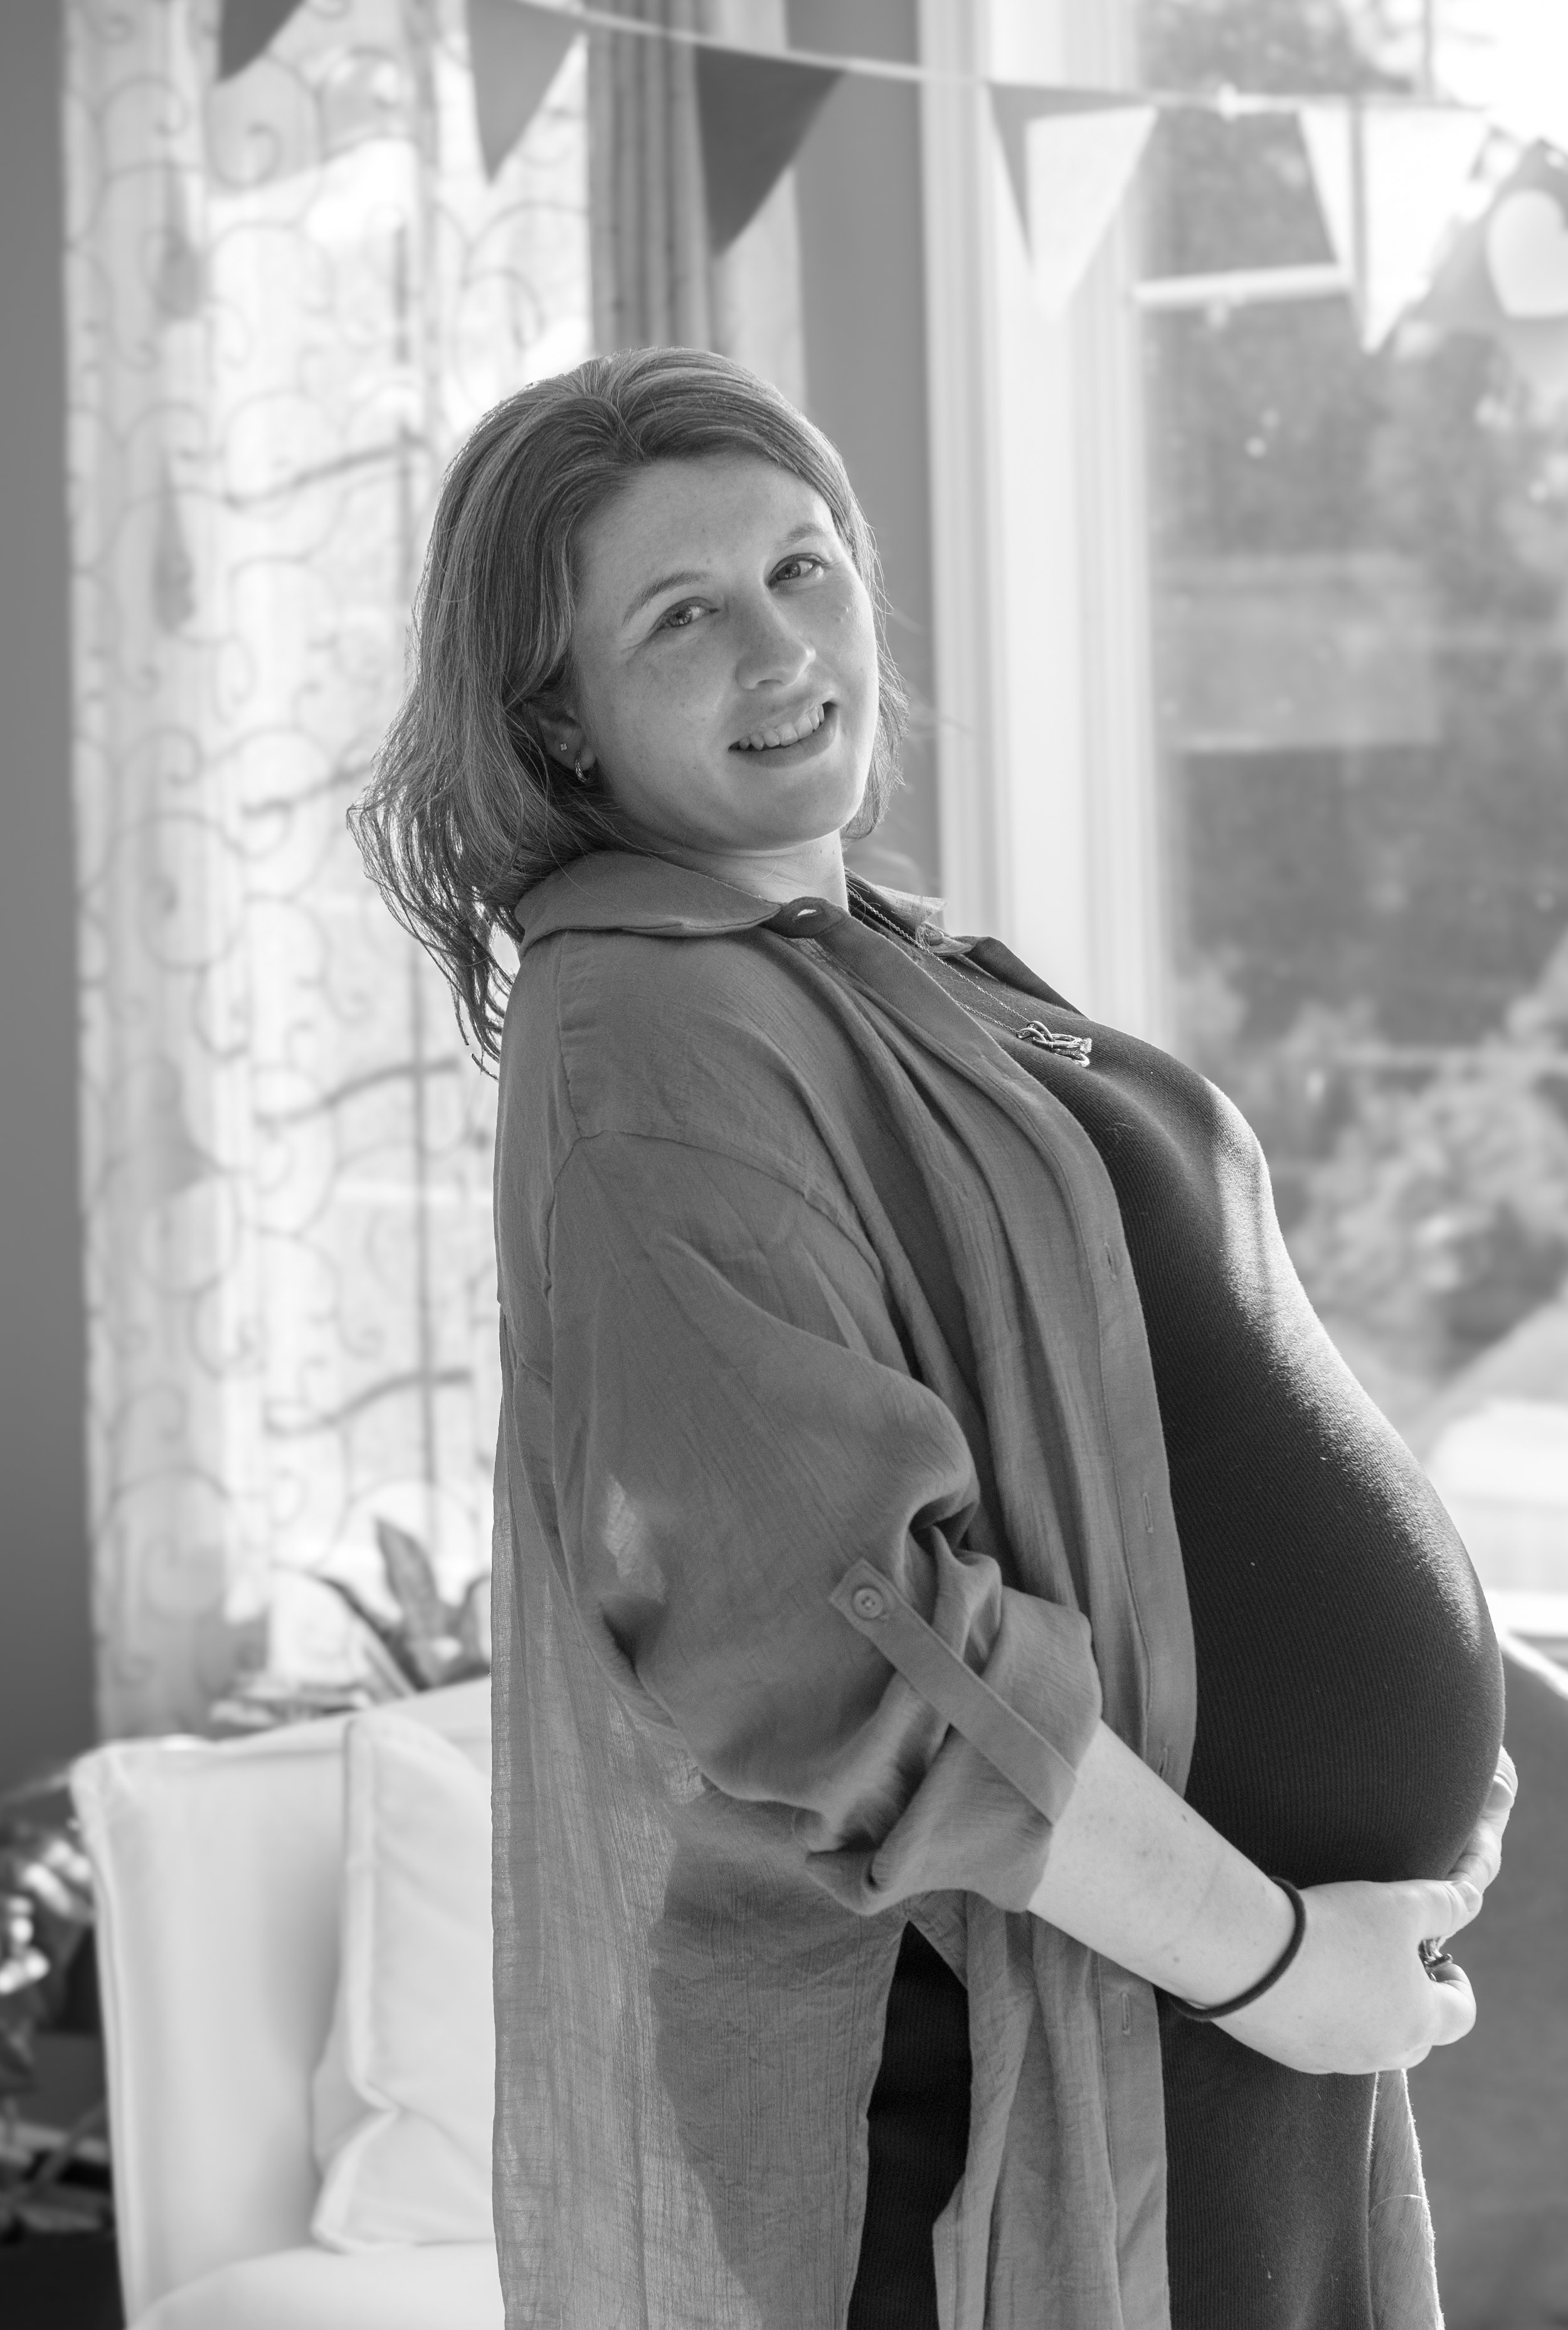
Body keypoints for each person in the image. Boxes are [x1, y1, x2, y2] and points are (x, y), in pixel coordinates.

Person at [352, 348, 1517, 2330]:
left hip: (1218, 2006)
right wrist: (1262, 1960)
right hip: (1051, 2042)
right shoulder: (645, 1036)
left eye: (801, 567)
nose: (778, 647)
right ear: (555, 716)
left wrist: (1432, 1765)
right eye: (680, 615)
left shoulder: (875, 959)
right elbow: (821, 1634)